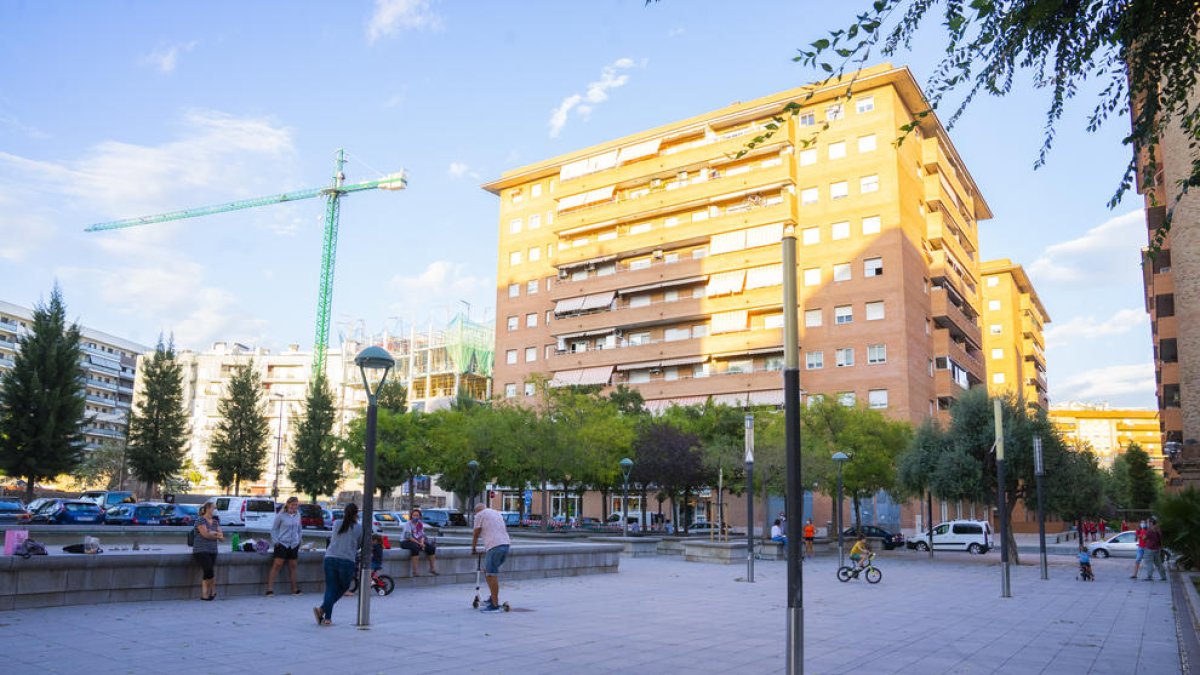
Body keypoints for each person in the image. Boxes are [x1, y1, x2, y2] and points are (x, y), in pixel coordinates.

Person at [314, 503, 360, 626]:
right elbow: (359, 545)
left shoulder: (337, 523)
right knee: (343, 587)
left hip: (330, 557)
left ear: (344, 512)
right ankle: (322, 610)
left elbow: (333, 539)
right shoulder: (359, 527)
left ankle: (327, 617)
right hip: (347, 560)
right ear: (357, 513)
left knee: (330, 587)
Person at [472, 503, 512, 613]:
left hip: (494, 546)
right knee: (490, 571)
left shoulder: (479, 515)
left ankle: (494, 604)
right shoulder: (496, 513)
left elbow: (476, 533)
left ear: (477, 511)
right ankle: (492, 598)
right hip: (506, 545)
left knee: (491, 575)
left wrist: (473, 548)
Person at [266, 496, 302, 596]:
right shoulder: (281, 515)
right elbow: (274, 529)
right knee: (277, 565)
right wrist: (276, 541)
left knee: (293, 566)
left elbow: (299, 529)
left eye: (296, 505)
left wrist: (299, 540)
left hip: (293, 544)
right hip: (282, 543)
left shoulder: (298, 515)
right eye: (293, 504)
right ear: (288, 504)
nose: (294, 507)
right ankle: (269, 589)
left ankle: (294, 589)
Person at [192, 502, 224, 601]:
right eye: (214, 508)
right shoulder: (200, 520)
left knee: (207, 572)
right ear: (208, 509)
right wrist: (216, 534)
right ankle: (213, 590)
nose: (215, 510)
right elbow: (205, 534)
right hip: (201, 550)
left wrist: (214, 534)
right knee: (209, 569)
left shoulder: (215, 522)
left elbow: (222, 537)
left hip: (212, 550)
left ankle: (205, 594)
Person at [399, 507, 438, 576]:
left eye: (417, 515)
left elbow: (422, 536)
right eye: (414, 515)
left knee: (431, 548)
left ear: (420, 516)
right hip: (406, 541)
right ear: (411, 516)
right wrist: (419, 543)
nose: (415, 517)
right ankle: (415, 571)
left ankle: (432, 568)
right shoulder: (408, 524)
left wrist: (422, 543)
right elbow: (408, 537)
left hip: (417, 541)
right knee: (415, 548)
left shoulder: (420, 524)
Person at [1142, 516, 1167, 582]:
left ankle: (1149, 576)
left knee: (1149, 563)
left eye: (1148, 522)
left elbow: (1144, 538)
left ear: (1151, 522)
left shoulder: (1150, 530)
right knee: (1159, 563)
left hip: (1149, 549)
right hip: (1157, 549)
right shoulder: (1158, 530)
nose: (1147, 523)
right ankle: (1163, 577)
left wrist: (1143, 535)